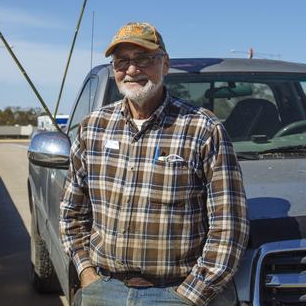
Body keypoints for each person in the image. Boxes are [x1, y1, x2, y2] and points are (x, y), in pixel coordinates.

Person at [60, 22, 249, 306]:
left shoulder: (202, 128)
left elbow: (229, 227)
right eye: (122, 61)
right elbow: (72, 213)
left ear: (165, 64)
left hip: (175, 292)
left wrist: (190, 295)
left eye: (143, 59)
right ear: (114, 70)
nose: (132, 70)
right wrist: (87, 272)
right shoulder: (93, 128)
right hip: (103, 289)